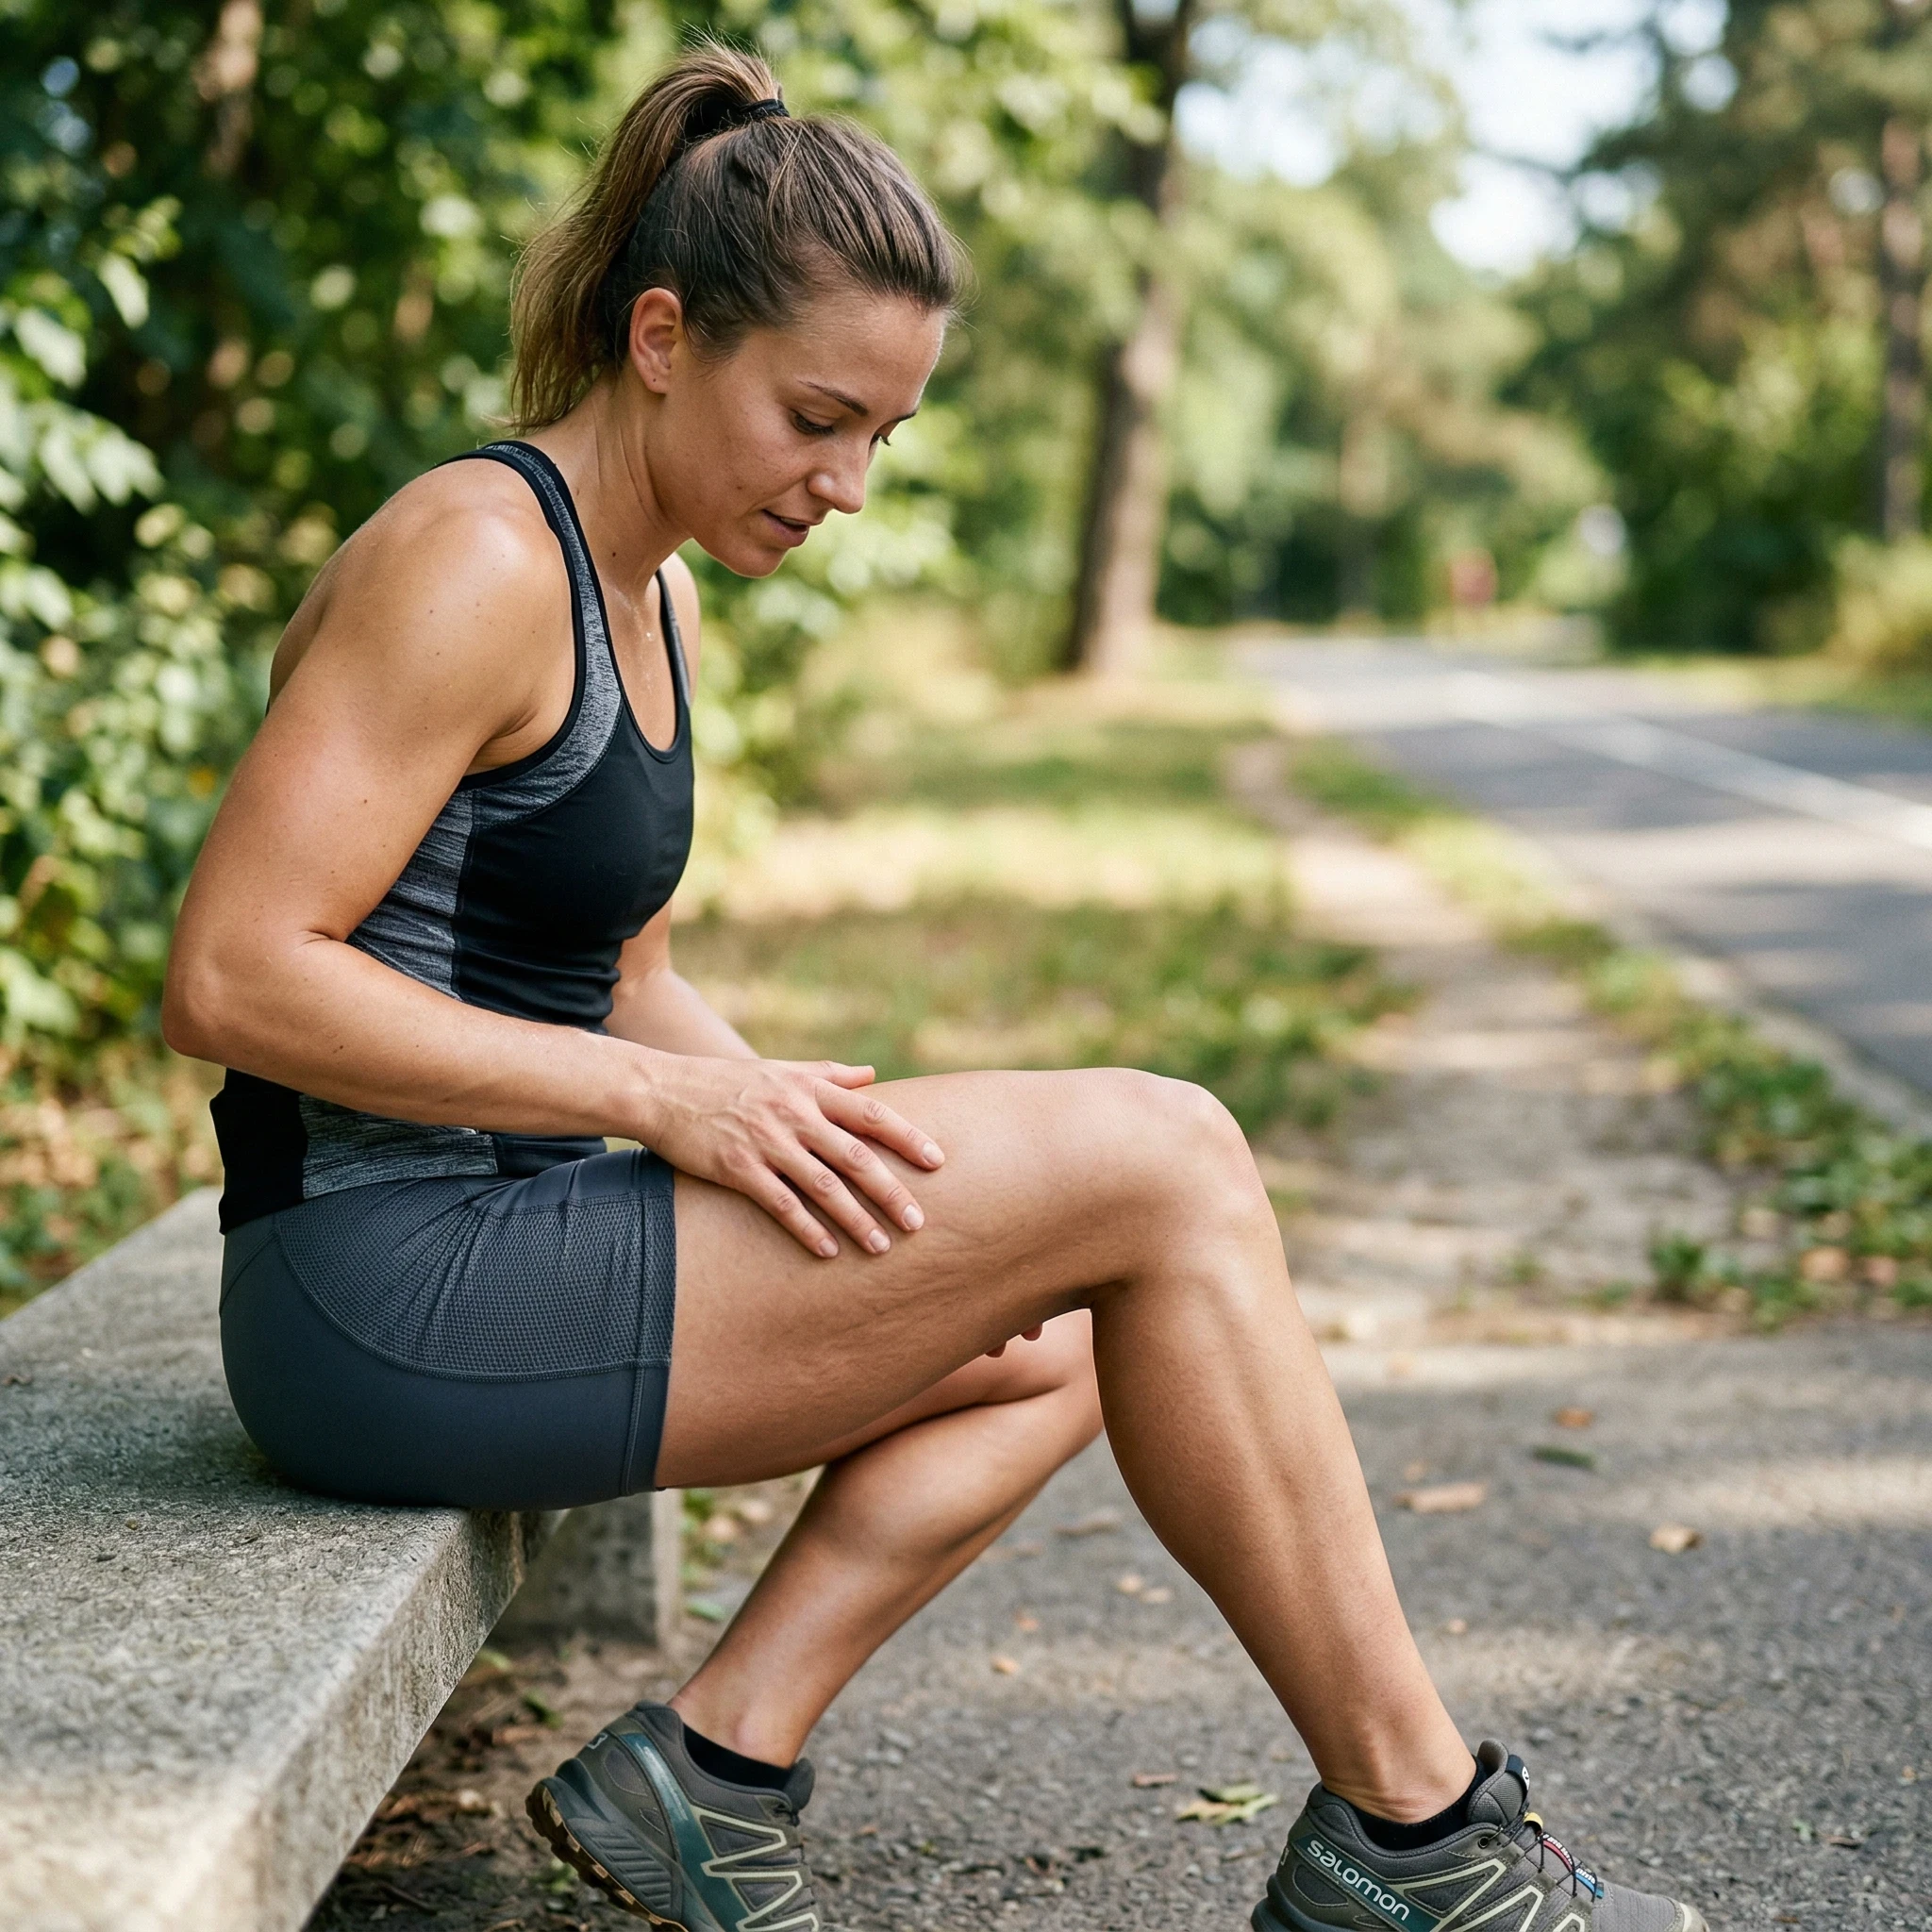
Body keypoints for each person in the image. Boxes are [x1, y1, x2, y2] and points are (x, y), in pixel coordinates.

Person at [162, 43, 1705, 1932]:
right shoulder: (476, 556)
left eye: (883, 432)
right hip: (375, 1285)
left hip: (513, 1221)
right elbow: (234, 972)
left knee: (1061, 1317)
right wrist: (680, 1109)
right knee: (1165, 1155)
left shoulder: (651, 583)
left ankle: (707, 1772)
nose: (852, 483)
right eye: (818, 416)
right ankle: (1417, 1841)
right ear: (661, 336)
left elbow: (616, 967)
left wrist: (803, 1136)